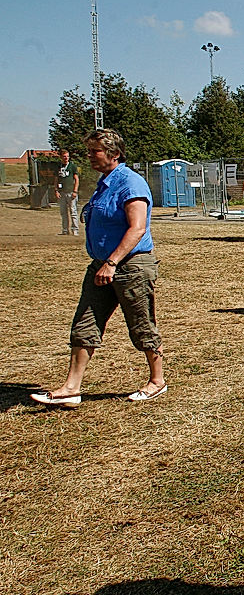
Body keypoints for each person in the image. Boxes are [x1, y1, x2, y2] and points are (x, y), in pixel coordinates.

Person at [31, 128, 166, 408]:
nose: (90, 157)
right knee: (85, 324)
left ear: (114, 154)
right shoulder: (104, 182)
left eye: (96, 151)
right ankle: (71, 388)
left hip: (130, 267)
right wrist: (103, 263)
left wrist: (113, 262)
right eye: (89, 151)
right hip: (101, 266)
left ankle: (157, 381)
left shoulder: (130, 183)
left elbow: (137, 228)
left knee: (141, 325)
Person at [56, 149, 80, 236]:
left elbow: (76, 179)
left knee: (73, 211)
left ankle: (75, 230)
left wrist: (75, 191)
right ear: (61, 157)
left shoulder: (72, 166)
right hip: (62, 192)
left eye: (67, 156)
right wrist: (56, 190)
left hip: (71, 192)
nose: (66, 158)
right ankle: (65, 230)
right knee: (63, 212)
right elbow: (56, 179)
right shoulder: (59, 167)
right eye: (64, 156)